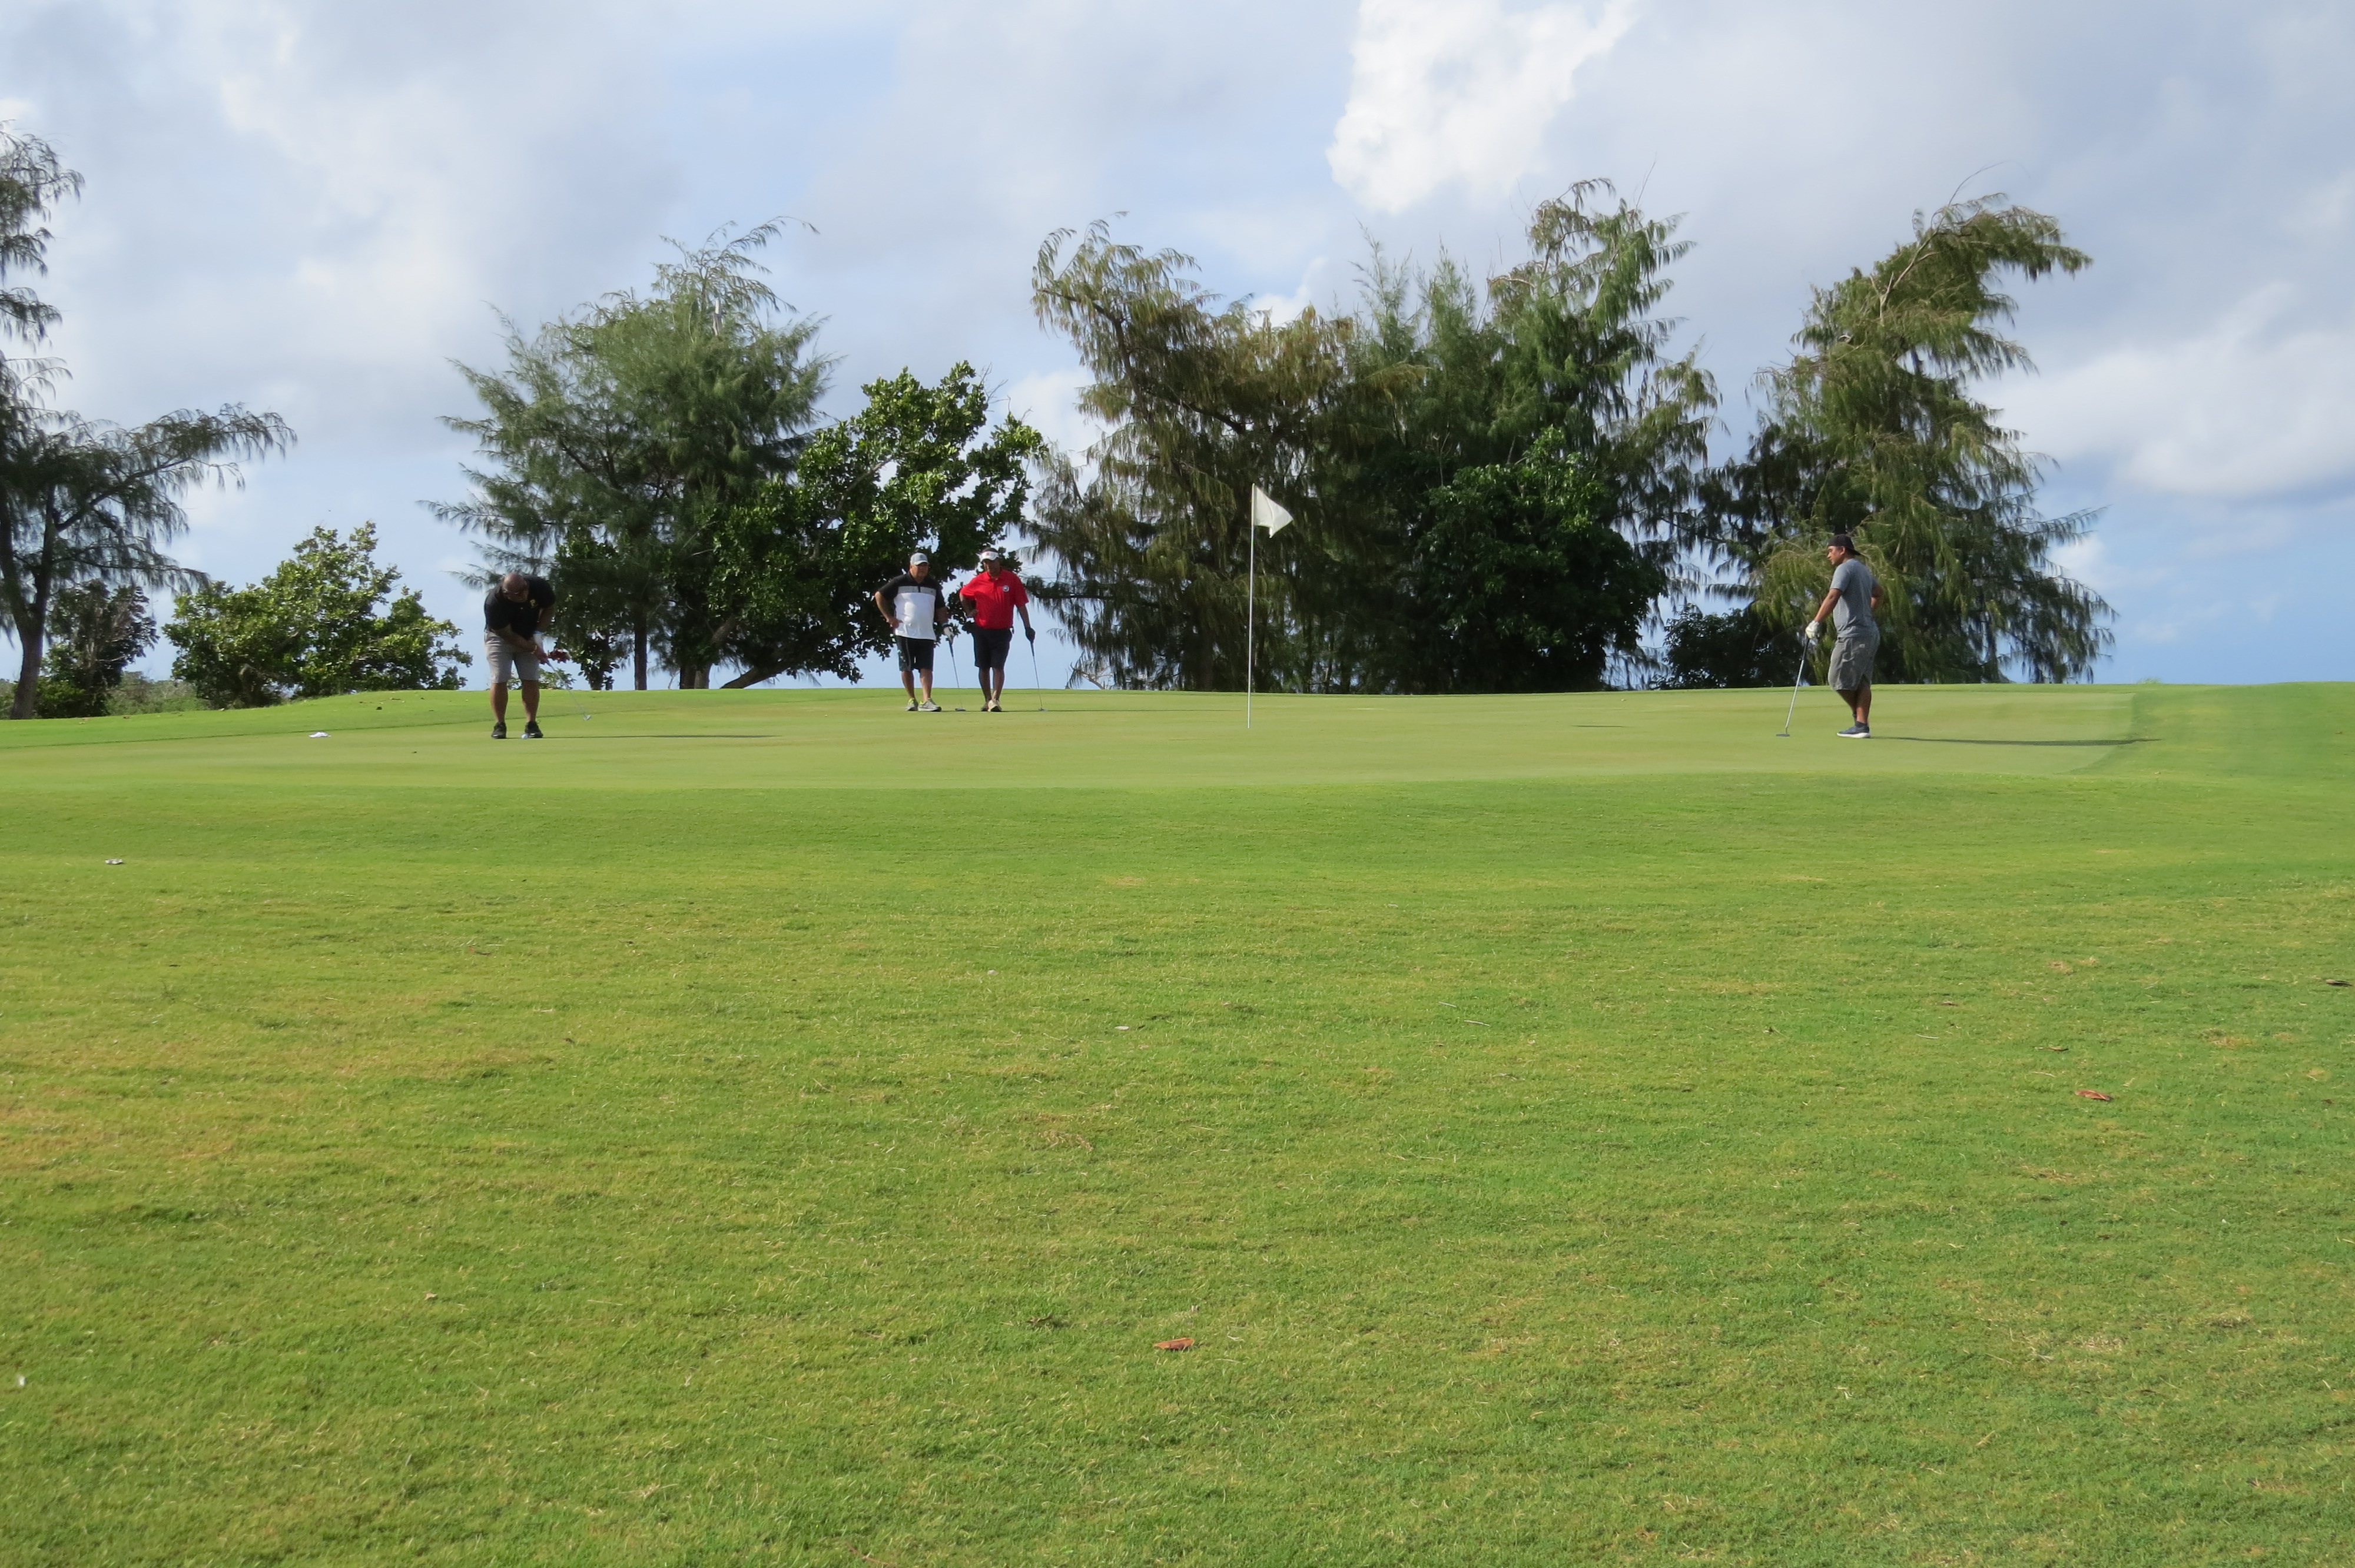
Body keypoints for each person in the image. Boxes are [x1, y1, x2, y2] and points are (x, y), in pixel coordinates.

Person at [1806, 533, 1886, 738]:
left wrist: (1816, 622)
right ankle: (1861, 725)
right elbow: (1879, 593)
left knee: (1836, 679)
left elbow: (1833, 595)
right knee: (1862, 681)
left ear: (1842, 550)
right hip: (1869, 633)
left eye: (1831, 551)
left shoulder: (1844, 568)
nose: (1828, 556)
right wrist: (1867, 613)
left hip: (1853, 635)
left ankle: (1859, 718)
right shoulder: (1862, 569)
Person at [956, 548, 1034, 712]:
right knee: (983, 667)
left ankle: (996, 699)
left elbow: (1021, 605)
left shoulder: (1011, 579)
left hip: (1003, 630)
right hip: (981, 629)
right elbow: (963, 594)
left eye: (991, 562)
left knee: (998, 666)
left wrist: (1028, 627)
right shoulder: (979, 580)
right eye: (986, 563)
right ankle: (987, 700)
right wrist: (969, 611)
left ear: (998, 561)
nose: (989, 566)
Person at [873, 550, 949, 712]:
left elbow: (941, 607)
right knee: (906, 667)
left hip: (927, 632)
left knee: (926, 667)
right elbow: (879, 596)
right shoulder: (899, 582)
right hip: (904, 631)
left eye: (925, 566)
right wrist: (889, 617)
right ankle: (912, 699)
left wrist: (945, 626)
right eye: (919, 566)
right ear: (911, 567)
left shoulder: (933, 585)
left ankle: (927, 700)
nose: (922, 569)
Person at [483, 570, 555, 739]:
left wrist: (538, 634)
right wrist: (533, 648)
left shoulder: (538, 585)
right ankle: (500, 725)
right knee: (500, 677)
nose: (524, 594)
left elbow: (549, 608)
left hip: (529, 634)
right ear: (507, 593)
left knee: (530, 678)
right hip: (500, 638)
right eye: (518, 593)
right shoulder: (494, 603)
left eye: (525, 589)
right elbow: (508, 635)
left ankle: (531, 724)